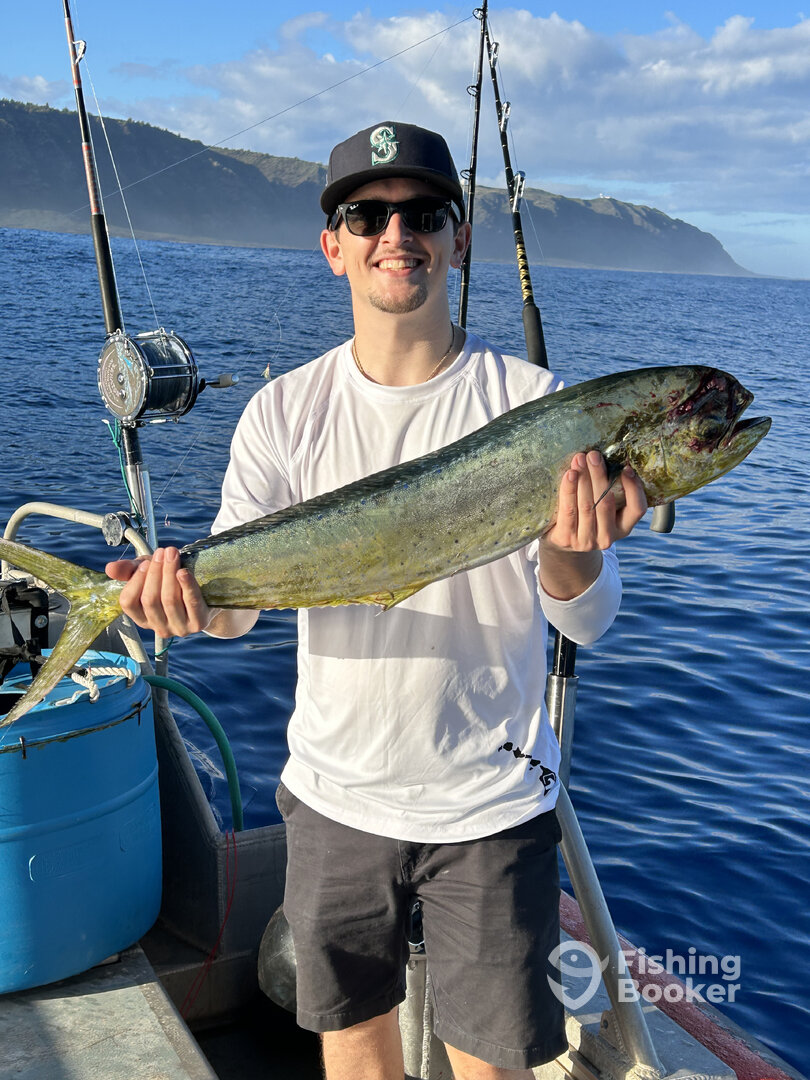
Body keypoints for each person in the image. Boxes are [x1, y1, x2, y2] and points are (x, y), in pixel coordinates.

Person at [107, 121, 647, 1080]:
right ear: (334, 246)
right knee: (354, 1057)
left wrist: (569, 553)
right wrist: (174, 603)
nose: (397, 233)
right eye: (368, 214)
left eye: (424, 214)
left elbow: (588, 617)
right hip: (336, 797)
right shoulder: (283, 411)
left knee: (494, 1065)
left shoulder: (536, 405)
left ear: (458, 239)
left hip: (489, 802)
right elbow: (231, 609)